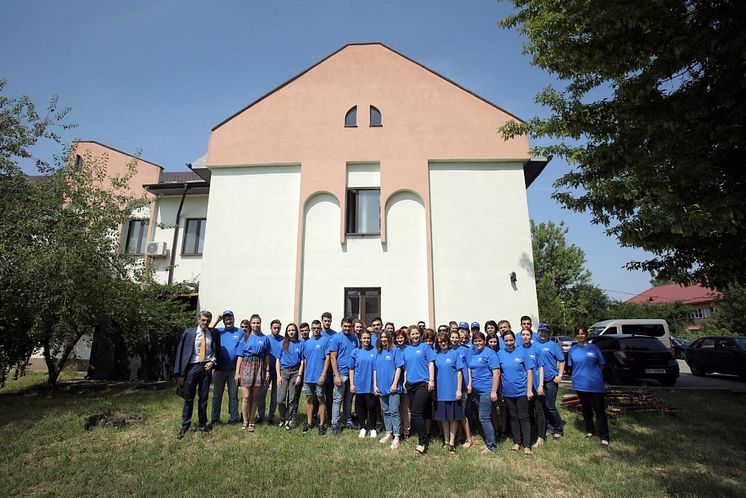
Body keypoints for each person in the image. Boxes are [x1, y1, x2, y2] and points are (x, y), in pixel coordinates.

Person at [174, 311, 221, 439]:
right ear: (198, 320)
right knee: (188, 397)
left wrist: (212, 362)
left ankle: (202, 425)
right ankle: (185, 426)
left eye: (207, 321)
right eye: (203, 320)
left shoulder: (213, 334)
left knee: (203, 398)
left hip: (206, 368)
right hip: (192, 368)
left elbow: (216, 351)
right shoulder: (189, 332)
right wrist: (179, 372)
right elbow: (180, 351)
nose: (205, 323)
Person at [568, 325, 609, 446]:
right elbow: (571, 366)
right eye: (578, 333)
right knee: (586, 409)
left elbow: (602, 364)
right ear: (575, 335)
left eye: (582, 333)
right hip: (580, 384)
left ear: (586, 334)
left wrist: (595, 375)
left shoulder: (594, 348)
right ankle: (590, 430)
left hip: (595, 384)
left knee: (599, 410)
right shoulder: (573, 349)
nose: (580, 336)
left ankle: (604, 436)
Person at [497, 330, 535, 454]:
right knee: (513, 417)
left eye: (511, 340)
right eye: (506, 341)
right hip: (508, 392)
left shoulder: (522, 352)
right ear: (503, 341)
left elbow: (529, 372)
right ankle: (517, 442)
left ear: (514, 340)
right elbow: (499, 373)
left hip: (522, 391)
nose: (509, 343)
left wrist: (529, 390)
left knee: (524, 417)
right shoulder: (500, 353)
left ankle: (527, 445)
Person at [402, 325, 436, 455]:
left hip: (423, 383)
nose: (415, 336)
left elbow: (430, 363)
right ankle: (424, 435)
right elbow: (406, 367)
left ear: (420, 335)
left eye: (417, 334)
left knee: (416, 412)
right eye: (412, 334)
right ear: (409, 336)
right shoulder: (407, 350)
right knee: (418, 412)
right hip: (410, 385)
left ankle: (422, 443)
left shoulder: (425, 347)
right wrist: (405, 380)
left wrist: (431, 380)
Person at [234, 314, 270, 433]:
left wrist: (267, 370)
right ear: (250, 324)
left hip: (259, 367)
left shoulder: (264, 338)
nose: (256, 325)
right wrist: (237, 372)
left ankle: (251, 421)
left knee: (255, 397)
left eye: (258, 323)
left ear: (260, 323)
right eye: (254, 323)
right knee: (246, 397)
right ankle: (244, 421)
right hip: (246, 366)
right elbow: (240, 356)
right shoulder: (245, 338)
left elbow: (266, 356)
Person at [467, 331, 500, 453]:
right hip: (476, 391)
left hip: (487, 390)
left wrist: (494, 391)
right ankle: (489, 440)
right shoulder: (473, 353)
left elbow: (496, 373)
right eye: (475, 341)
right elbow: (470, 369)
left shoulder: (490, 353)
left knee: (484, 418)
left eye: (480, 341)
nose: (477, 343)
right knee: (485, 417)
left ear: (484, 341)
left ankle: (491, 446)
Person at [210, 310, 243, 426]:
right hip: (219, 369)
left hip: (234, 370)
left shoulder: (240, 332)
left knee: (233, 395)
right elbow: (206, 331)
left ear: (234, 319)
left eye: (230, 319)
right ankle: (215, 418)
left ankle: (234, 418)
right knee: (216, 395)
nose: (228, 321)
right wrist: (216, 319)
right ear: (223, 320)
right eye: (226, 319)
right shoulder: (218, 331)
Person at [328, 317, 359, 435]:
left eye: (349, 326)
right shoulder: (337, 338)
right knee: (337, 400)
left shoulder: (355, 338)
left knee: (349, 400)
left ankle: (348, 421)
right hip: (340, 374)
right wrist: (336, 376)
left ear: (352, 327)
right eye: (345, 326)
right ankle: (335, 424)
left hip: (351, 374)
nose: (347, 328)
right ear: (341, 326)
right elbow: (332, 358)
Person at [434, 331, 464, 454]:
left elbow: (459, 373)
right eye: (440, 342)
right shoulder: (436, 355)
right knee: (444, 418)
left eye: (445, 341)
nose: (443, 343)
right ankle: (446, 441)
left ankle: (452, 442)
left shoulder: (454, 354)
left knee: (453, 418)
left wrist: (458, 390)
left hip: (452, 392)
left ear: (448, 341)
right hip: (440, 392)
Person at [374, 329, 404, 449]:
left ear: (389, 338)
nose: (383, 339)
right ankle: (388, 433)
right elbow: (375, 370)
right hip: (381, 387)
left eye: (385, 337)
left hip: (392, 388)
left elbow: (399, 368)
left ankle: (396, 436)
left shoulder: (395, 350)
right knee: (385, 411)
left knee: (394, 411)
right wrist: (375, 385)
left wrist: (395, 384)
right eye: (381, 337)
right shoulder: (379, 352)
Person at [536, 323, 565, 442]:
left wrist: (560, 375)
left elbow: (562, 360)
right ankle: (549, 427)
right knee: (542, 407)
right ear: (538, 332)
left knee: (550, 406)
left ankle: (558, 429)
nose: (543, 334)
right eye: (541, 332)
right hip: (539, 381)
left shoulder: (553, 345)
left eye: (545, 332)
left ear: (549, 333)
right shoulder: (535, 345)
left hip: (551, 379)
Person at [302, 319, 331, 435]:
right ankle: (309, 422)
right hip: (309, 377)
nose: (316, 330)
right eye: (313, 328)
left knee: (320, 399)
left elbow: (328, 359)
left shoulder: (325, 340)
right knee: (309, 399)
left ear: (320, 328)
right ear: (311, 329)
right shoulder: (307, 342)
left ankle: (321, 424)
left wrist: (323, 374)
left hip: (320, 376)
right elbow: (305, 360)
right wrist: (304, 376)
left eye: (318, 328)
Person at [276, 323, 305, 429]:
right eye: (289, 330)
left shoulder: (300, 344)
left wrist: (299, 375)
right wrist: (278, 376)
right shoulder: (282, 343)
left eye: (293, 330)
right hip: (284, 372)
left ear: (296, 331)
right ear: (286, 332)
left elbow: (302, 361)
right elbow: (277, 360)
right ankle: (282, 417)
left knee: (292, 399)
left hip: (295, 372)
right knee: (280, 399)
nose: (291, 332)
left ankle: (288, 419)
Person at [350, 330, 378, 438]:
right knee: (360, 408)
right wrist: (352, 384)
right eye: (364, 338)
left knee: (371, 407)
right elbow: (351, 369)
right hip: (359, 384)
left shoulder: (375, 351)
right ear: (360, 339)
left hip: (371, 384)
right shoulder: (355, 352)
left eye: (368, 338)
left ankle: (373, 428)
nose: (366, 340)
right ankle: (362, 427)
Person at [520, 327, 544, 449]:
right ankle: (529, 435)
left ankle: (541, 437)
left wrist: (541, 384)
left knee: (539, 411)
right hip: (523, 386)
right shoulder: (518, 350)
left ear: (531, 336)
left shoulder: (537, 349)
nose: (525, 337)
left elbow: (541, 367)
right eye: (523, 334)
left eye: (527, 334)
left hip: (535, 385)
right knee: (527, 412)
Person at [451, 328, 473, 448]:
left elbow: (469, 367)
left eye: (456, 337)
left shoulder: (465, 350)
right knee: (455, 413)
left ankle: (469, 438)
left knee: (461, 413)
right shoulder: (448, 350)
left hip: (463, 385)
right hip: (451, 386)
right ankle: (459, 435)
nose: (454, 339)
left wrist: (470, 383)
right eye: (452, 337)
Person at [258, 318, 283, 425]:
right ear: (270, 328)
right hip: (266, 371)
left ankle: (270, 417)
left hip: (279, 372)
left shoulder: (284, 340)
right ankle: (261, 415)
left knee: (275, 396)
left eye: (278, 328)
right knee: (261, 394)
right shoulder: (266, 339)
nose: (277, 330)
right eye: (275, 328)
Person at [394, 328, 411, 439]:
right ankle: (397, 430)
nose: (400, 339)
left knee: (406, 408)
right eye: (398, 337)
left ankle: (406, 431)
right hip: (395, 381)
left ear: (405, 338)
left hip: (406, 381)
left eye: (402, 337)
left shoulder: (409, 349)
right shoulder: (393, 349)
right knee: (396, 408)